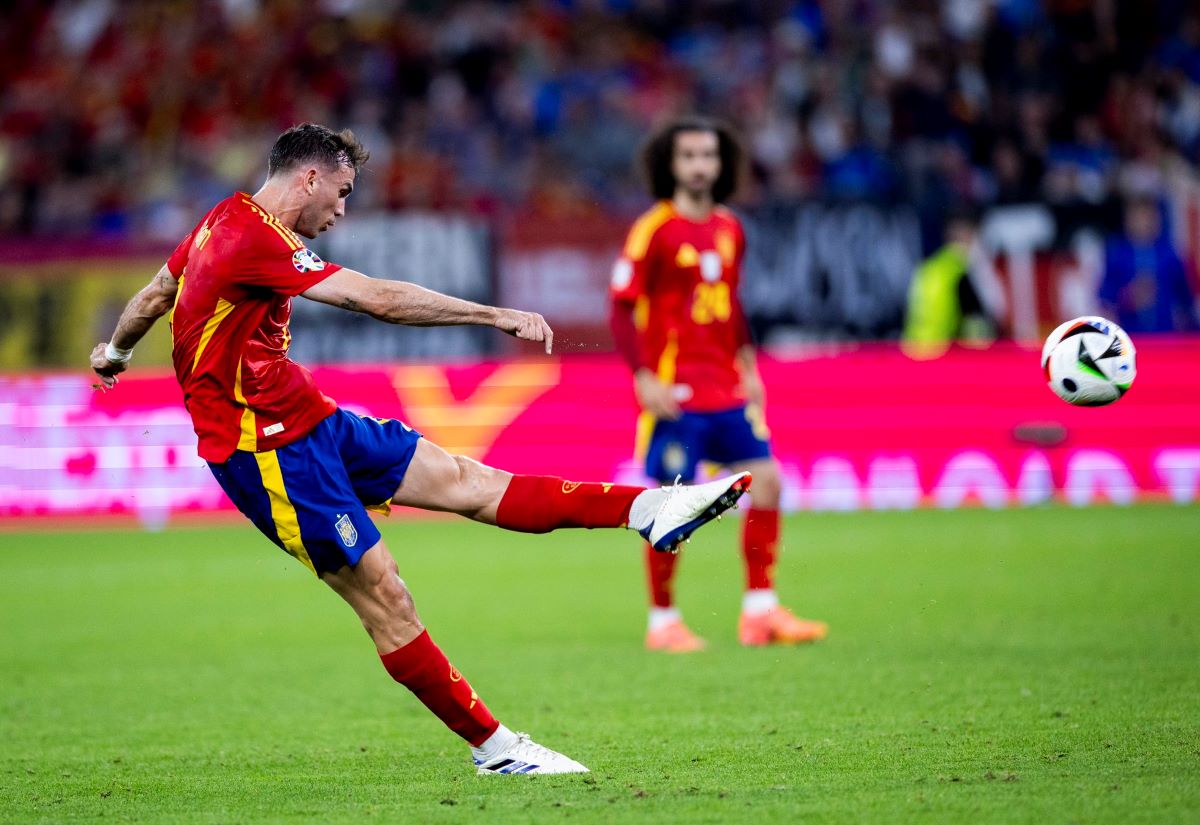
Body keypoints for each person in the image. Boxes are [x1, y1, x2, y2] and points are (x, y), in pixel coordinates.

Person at [89, 123, 751, 776]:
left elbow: (154, 294)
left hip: (309, 418)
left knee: (468, 480)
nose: (342, 210)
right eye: (342, 193)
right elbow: (374, 299)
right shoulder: (249, 237)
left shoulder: (220, 218)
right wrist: (493, 314)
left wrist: (114, 352)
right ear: (310, 177)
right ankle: (496, 748)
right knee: (386, 594)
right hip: (262, 452)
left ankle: (649, 510)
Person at [608, 116, 827, 653]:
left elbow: (731, 306)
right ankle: (663, 621)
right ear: (670, 164)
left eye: (708, 156)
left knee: (769, 482)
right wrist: (642, 377)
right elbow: (620, 307)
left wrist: (749, 366)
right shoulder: (654, 229)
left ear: (722, 164)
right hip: (676, 394)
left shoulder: (732, 228)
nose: (700, 166)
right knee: (671, 507)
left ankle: (761, 612)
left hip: (727, 389)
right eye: (688, 157)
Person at [903, 207, 998, 352]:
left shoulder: (927, 268)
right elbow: (976, 326)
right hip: (943, 354)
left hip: (914, 350)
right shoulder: (961, 271)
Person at [1098, 197, 1198, 334]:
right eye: (1138, 218)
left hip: (1167, 334)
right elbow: (1106, 296)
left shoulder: (1171, 253)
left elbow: (1186, 296)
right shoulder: (1117, 253)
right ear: (1128, 221)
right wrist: (1128, 297)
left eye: (1149, 218)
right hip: (1130, 333)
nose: (1145, 223)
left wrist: (1183, 317)